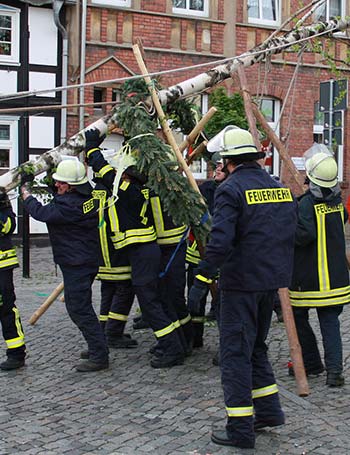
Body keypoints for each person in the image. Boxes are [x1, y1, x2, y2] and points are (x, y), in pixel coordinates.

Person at [188, 126, 297, 449]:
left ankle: (239, 429)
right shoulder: (277, 186)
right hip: (270, 283)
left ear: (228, 160)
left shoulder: (231, 189)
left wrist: (201, 279)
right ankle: (268, 411)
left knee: (235, 354)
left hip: (240, 285)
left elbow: (219, 242)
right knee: (257, 347)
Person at [84, 129, 185, 368]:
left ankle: (172, 347)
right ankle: (172, 344)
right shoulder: (131, 189)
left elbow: (104, 171)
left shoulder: (130, 191)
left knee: (150, 302)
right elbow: (104, 175)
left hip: (143, 252)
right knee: (151, 300)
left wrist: (92, 148)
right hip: (142, 252)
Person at [21, 159, 109, 372]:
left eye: (61, 183)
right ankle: (98, 346)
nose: (57, 185)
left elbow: (41, 213)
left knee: (79, 308)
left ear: (71, 186)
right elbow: (61, 194)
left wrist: (26, 192)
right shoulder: (86, 196)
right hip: (86, 260)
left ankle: (99, 355)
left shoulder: (67, 206)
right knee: (81, 306)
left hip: (76, 262)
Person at [289, 145, 350, 387]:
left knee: (298, 317)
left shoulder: (305, 205)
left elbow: (303, 235)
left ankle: (312, 363)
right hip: (334, 280)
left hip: (308, 279)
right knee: (330, 323)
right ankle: (334, 372)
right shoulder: (338, 204)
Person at [186, 153, 227, 347]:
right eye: (216, 166)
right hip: (198, 255)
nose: (217, 169)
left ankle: (226, 345)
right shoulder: (205, 189)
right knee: (195, 302)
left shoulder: (231, 191)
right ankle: (194, 339)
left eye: (221, 165)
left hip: (221, 258)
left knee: (222, 303)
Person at [0, 192, 26, 370]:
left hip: (1, 264)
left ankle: (16, 353)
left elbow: (8, 225)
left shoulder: (1, 197)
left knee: (6, 307)